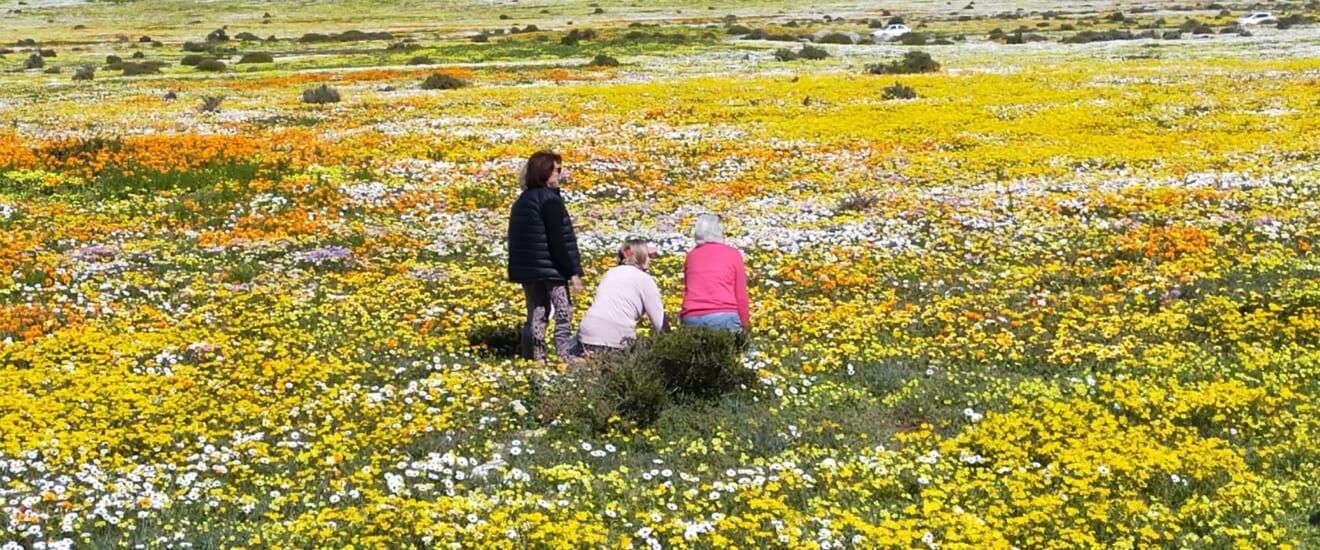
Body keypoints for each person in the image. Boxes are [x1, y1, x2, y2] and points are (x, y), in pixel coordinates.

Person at [506, 150, 583, 361]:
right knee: (563, 311)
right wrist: (572, 272)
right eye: (557, 170)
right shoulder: (549, 201)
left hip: (528, 270)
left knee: (537, 311)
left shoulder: (522, 201)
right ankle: (563, 355)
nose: (560, 174)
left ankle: (536, 356)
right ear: (545, 172)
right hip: (552, 269)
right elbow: (557, 241)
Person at [575, 238, 667, 354]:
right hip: (616, 336)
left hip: (587, 331)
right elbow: (660, 322)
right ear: (639, 256)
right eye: (648, 255)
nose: (650, 260)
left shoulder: (610, 272)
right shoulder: (644, 279)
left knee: (589, 368)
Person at [680, 213, 750, 332]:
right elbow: (740, 294)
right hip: (723, 314)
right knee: (745, 350)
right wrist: (745, 324)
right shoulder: (732, 254)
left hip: (690, 316)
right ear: (719, 231)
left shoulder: (691, 256)